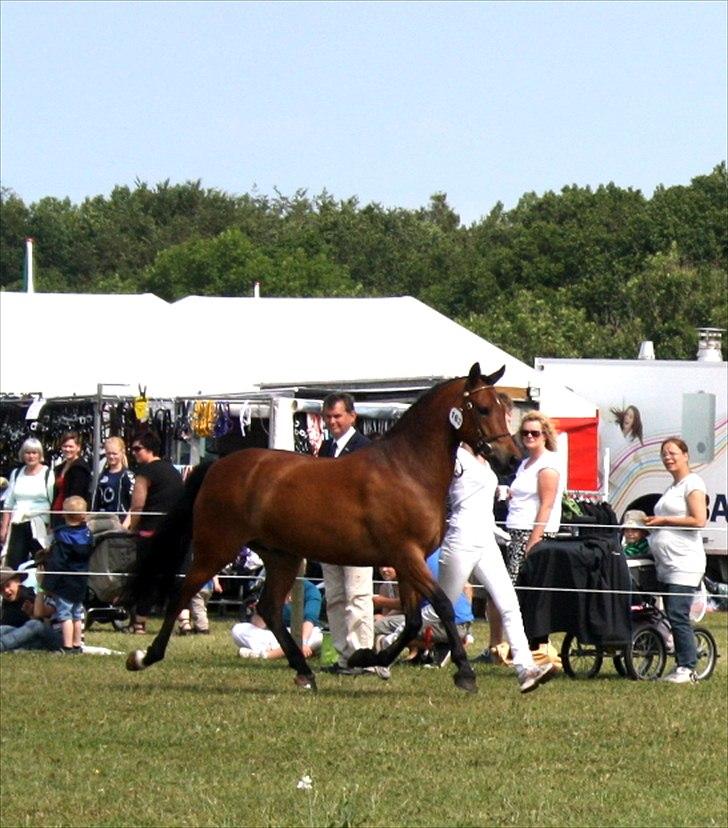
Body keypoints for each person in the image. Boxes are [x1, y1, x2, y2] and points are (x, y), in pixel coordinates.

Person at [317, 393, 385, 678]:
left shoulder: (365, 449)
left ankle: (363, 657)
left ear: (352, 416)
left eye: (337, 416)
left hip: (357, 534)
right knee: (334, 596)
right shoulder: (325, 449)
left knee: (358, 594)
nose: (332, 422)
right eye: (328, 417)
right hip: (329, 534)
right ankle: (345, 656)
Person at [644, 437, 708, 684]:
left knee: (677, 613)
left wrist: (663, 521)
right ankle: (680, 659)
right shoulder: (672, 486)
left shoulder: (693, 483)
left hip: (685, 563)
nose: (667, 457)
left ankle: (687, 667)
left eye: (672, 453)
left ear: (685, 455)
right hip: (666, 565)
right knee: (668, 614)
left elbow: (698, 520)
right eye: (664, 454)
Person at [127, 430, 184, 634]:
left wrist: (132, 527)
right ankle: (184, 620)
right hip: (175, 533)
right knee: (175, 577)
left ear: (149, 449)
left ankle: (140, 622)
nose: (133, 453)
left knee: (148, 578)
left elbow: (137, 506)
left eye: (137, 449)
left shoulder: (145, 473)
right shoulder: (173, 471)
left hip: (150, 533)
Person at [41, 496, 94, 653]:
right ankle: (78, 644)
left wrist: (47, 584)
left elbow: (57, 563)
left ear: (64, 514)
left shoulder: (62, 536)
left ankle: (67, 646)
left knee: (65, 615)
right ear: (84, 515)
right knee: (77, 614)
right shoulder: (87, 534)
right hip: (81, 580)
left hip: (65, 581)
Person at [232, 578, 324, 660]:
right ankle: (290, 652)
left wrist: (303, 642)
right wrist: (260, 612)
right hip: (278, 634)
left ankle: (265, 655)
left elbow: (310, 619)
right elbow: (260, 625)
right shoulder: (271, 588)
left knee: (317, 637)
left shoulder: (311, 590)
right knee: (238, 629)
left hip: (304, 633)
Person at [0, 438, 54, 570]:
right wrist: (4, 528)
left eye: (34, 453)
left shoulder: (47, 473)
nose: (31, 456)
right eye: (28, 452)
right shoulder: (16, 473)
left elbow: (53, 501)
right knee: (14, 564)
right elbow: (9, 503)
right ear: (23, 454)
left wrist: (51, 526)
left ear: (39, 454)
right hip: (18, 523)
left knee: (41, 563)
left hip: (40, 524)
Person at [0, 566, 62, 652]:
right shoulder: (7, 602)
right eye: (1, 589)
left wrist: (40, 585)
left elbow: (41, 621)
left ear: (18, 581)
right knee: (3, 628)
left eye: (8, 585)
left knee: (34, 624)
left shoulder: (28, 595)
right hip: (28, 636)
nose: (6, 590)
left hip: (55, 638)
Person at [50, 431, 92, 529]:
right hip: (57, 513)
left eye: (71, 446)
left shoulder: (80, 468)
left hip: (71, 517)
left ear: (78, 448)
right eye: (65, 446)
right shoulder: (60, 468)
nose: (67, 449)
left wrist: (70, 516)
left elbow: (77, 495)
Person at [91, 436, 135, 528]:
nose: (111, 456)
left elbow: (134, 505)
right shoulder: (103, 474)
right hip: (102, 523)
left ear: (122, 453)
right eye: (108, 453)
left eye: (114, 454)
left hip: (119, 524)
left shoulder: (127, 475)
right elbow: (96, 501)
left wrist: (125, 526)